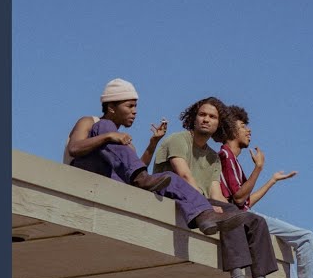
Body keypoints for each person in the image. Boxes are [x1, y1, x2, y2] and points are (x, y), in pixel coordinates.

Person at [148, 97, 289, 278]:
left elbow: (216, 194)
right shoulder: (178, 139)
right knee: (229, 218)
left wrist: (230, 210)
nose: (206, 120)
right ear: (193, 118)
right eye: (202, 115)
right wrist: (211, 206)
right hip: (175, 198)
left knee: (252, 220)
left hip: (202, 204)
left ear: (219, 124)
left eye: (212, 117)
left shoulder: (213, 158)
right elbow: (184, 176)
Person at [64, 79, 251, 240]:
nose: (135, 111)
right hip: (86, 174)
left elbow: (134, 170)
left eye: (136, 106)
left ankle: (204, 215)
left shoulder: (123, 142)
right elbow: (74, 148)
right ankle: (144, 179)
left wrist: (153, 143)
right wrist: (108, 136)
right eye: (130, 106)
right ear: (111, 107)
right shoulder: (92, 122)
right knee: (105, 126)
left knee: (171, 178)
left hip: (114, 185)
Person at [214, 105, 313, 278]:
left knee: (283, 242)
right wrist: (258, 169)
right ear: (230, 129)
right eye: (243, 126)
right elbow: (239, 199)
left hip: (245, 215)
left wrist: (271, 181)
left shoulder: (232, 160)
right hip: (240, 218)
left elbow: (245, 201)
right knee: (306, 237)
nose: (249, 131)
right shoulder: (225, 156)